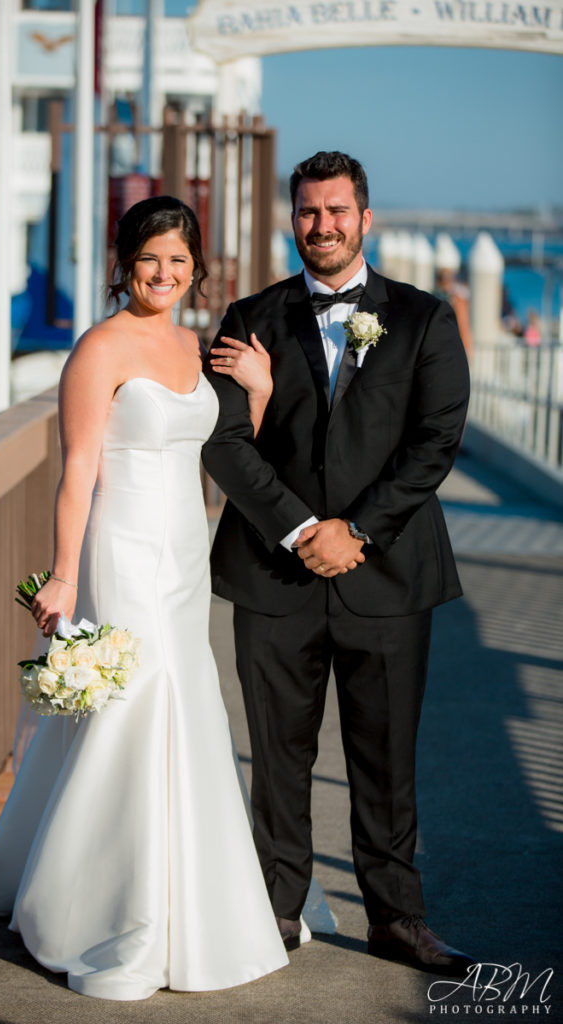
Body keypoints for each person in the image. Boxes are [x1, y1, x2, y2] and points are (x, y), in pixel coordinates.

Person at [0, 195, 288, 1000]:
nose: (164, 273)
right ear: (125, 266)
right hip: (121, 550)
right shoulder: (99, 348)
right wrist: (63, 575)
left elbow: (225, 455)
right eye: (149, 260)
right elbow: (79, 470)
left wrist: (259, 393)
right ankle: (107, 912)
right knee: (135, 700)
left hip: (182, 554)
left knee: (182, 700)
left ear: (196, 266)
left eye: (178, 259)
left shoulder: (194, 345)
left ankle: (183, 907)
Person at [202, 151, 476, 976]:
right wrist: (296, 529)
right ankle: (274, 913)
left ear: (364, 217)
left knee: (385, 759)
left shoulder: (424, 318)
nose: (320, 225)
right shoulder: (249, 316)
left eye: (335, 211)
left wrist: (354, 530)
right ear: (293, 218)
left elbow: (437, 441)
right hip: (273, 576)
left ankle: (396, 918)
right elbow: (225, 442)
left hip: (386, 577)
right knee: (277, 758)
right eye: (307, 212)